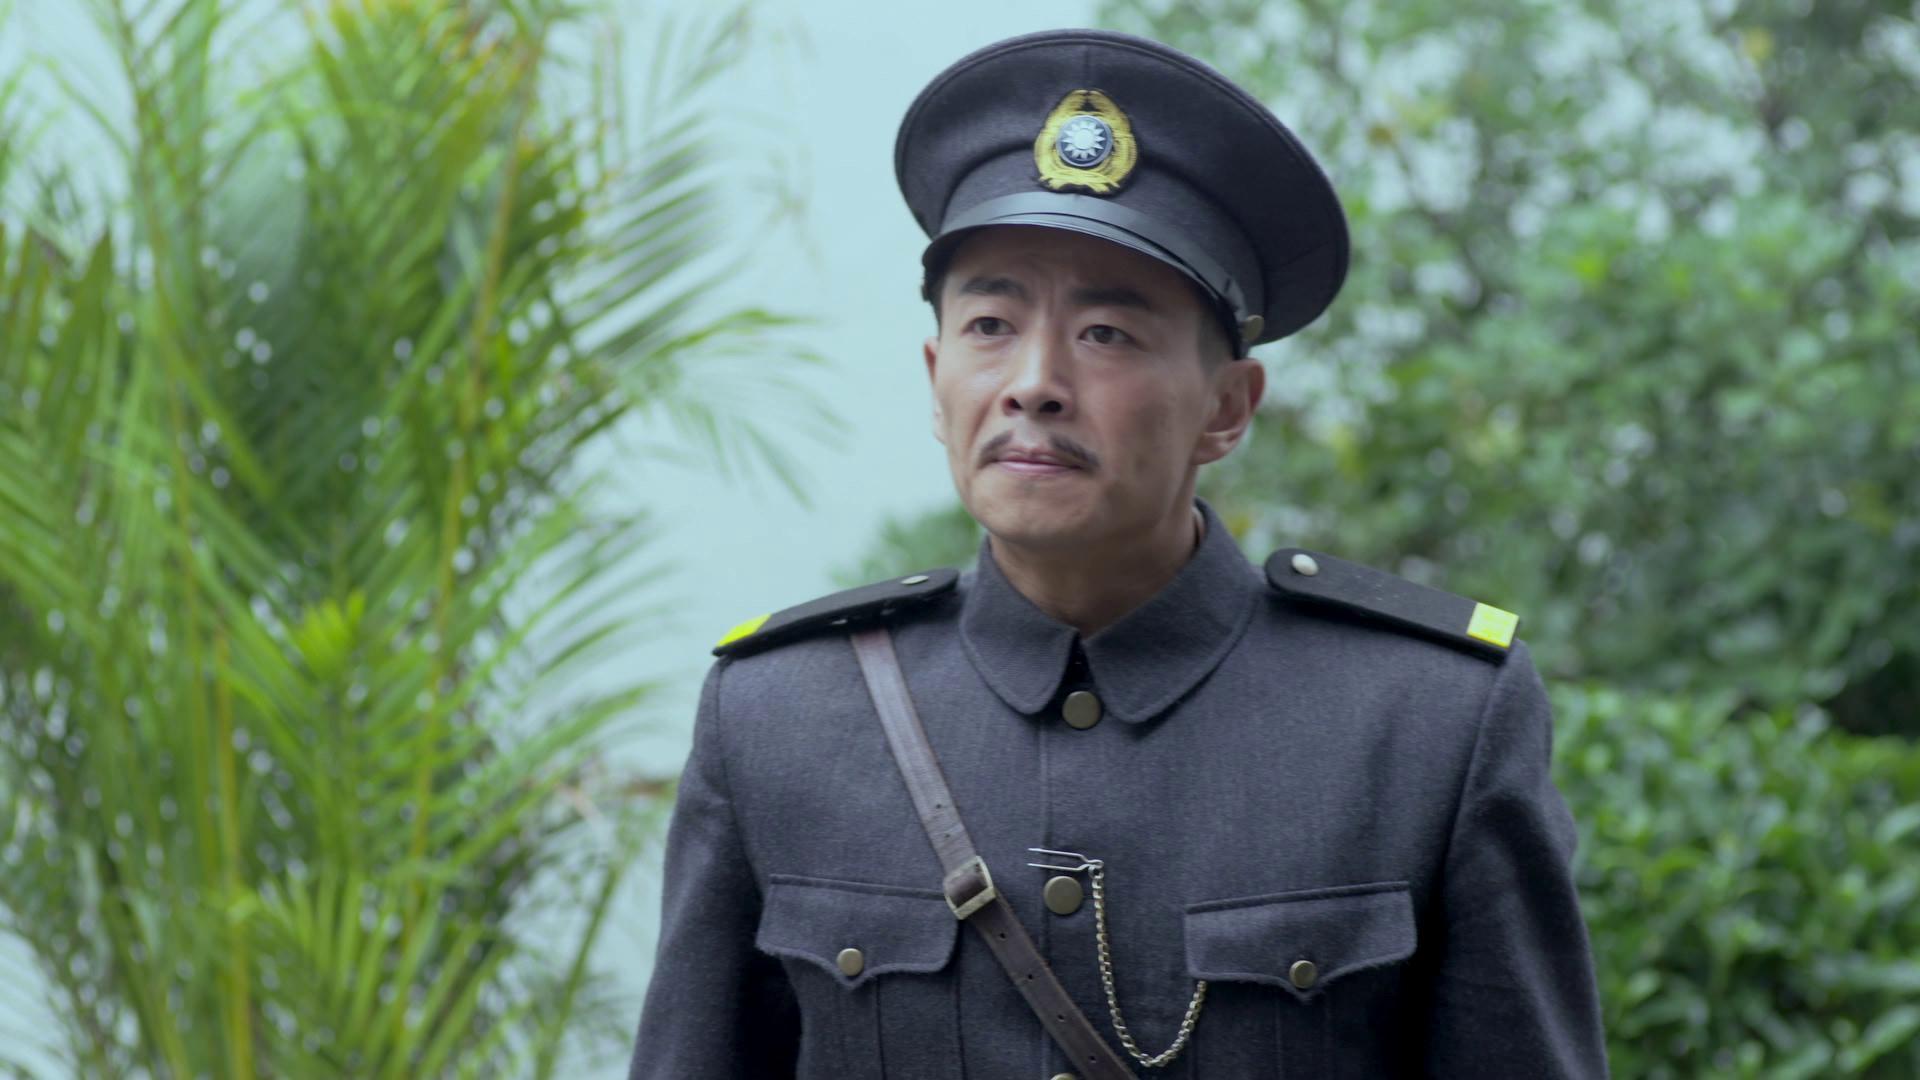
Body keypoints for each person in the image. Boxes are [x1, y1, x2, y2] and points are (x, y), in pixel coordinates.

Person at [627, 28, 1607, 1080]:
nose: (1034, 384)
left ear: (1227, 408)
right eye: (991, 324)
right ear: (936, 377)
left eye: (1107, 334)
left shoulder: (1425, 722)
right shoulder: (777, 719)